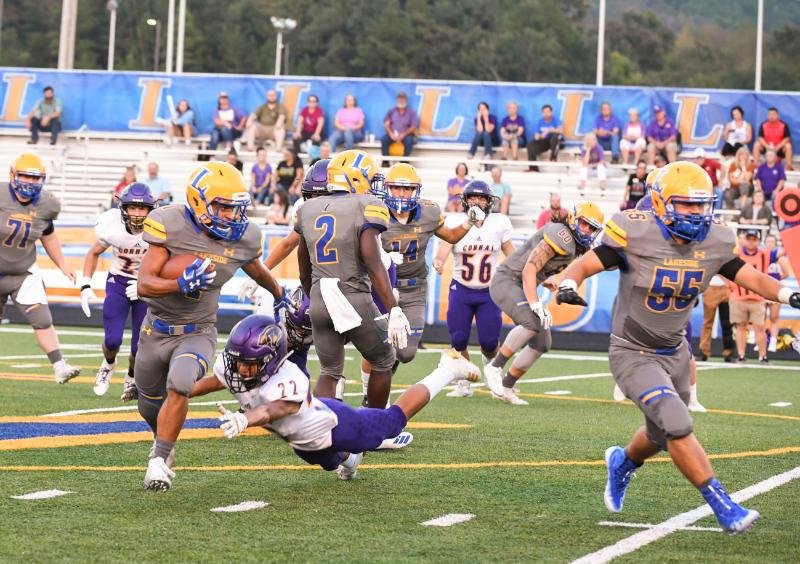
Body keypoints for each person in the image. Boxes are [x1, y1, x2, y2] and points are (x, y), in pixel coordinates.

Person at [555, 160, 800, 533]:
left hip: (675, 351)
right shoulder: (633, 232)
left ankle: (622, 462)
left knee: (659, 432)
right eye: (686, 204)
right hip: (633, 350)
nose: (697, 212)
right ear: (660, 202)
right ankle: (725, 507)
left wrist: (787, 292)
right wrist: (569, 283)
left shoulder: (714, 240)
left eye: (701, 204)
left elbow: (747, 275)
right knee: (677, 422)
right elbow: (585, 265)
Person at [136, 161, 285, 492]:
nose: (231, 216)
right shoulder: (168, 223)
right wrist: (180, 283)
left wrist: (279, 294)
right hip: (155, 329)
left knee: (181, 382)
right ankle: (164, 439)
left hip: (198, 330)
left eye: (236, 209)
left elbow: (256, 268)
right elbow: (144, 284)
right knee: (148, 402)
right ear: (198, 201)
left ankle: (158, 461)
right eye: (222, 207)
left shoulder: (243, 238)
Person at [189, 315, 478, 480]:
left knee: (392, 422)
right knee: (326, 462)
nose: (241, 369)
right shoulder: (235, 368)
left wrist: (244, 418)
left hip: (333, 425)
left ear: (271, 361)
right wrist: (173, 390)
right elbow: (215, 380)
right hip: (304, 439)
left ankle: (448, 370)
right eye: (238, 361)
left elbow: (273, 410)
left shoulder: (289, 378)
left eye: (250, 363)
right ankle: (351, 460)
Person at [294, 149, 410, 409]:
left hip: (319, 297)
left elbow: (303, 267)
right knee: (383, 360)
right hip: (352, 295)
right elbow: (372, 261)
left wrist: (315, 295)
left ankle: (320, 434)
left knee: (330, 371)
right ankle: (375, 428)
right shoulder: (365, 206)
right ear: (355, 180)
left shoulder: (307, 208)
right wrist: (393, 308)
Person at [484, 201, 604, 405]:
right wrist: (535, 303)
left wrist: (545, 280)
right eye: (584, 224)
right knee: (531, 323)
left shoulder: (576, 244)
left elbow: (532, 263)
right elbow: (530, 268)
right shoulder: (562, 234)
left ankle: (507, 385)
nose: (587, 230)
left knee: (542, 343)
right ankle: (495, 366)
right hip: (507, 281)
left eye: (592, 228)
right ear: (574, 219)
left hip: (520, 283)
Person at [375, 162, 482, 370]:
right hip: (382, 287)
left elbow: (450, 236)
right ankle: (371, 392)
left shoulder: (428, 212)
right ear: (387, 188)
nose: (402, 194)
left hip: (414, 289)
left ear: (416, 191)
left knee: (405, 353)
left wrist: (468, 222)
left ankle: (386, 367)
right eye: (397, 187)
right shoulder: (375, 212)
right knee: (376, 347)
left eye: (407, 189)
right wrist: (383, 259)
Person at [0, 153, 80, 383]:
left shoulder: (47, 204)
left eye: (35, 178)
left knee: (42, 319)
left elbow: (49, 236)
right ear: (13, 175)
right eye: (24, 176)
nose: (29, 182)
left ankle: (59, 366)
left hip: (23, 270)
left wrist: (63, 265)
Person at [433, 180, 515, 397]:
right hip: (461, 289)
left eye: (481, 197)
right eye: (473, 197)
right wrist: (439, 261)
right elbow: (444, 246)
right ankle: (464, 382)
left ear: (489, 201)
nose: (477, 201)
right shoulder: (456, 222)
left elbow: (512, 254)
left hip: (489, 292)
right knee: (458, 339)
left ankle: (493, 372)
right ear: (465, 200)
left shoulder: (499, 223)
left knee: (489, 342)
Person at [80, 183, 156, 398]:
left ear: (151, 210)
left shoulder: (159, 230)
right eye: (132, 208)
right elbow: (93, 253)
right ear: (123, 208)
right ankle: (108, 363)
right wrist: (85, 283)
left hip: (146, 286)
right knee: (112, 340)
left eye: (142, 209)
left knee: (139, 347)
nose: (137, 214)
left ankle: (131, 376)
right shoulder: (111, 225)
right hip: (119, 283)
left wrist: (149, 285)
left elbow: (169, 263)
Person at [728, 228, 770, 363]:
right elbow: (722, 269)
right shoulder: (736, 254)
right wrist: (730, 284)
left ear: (758, 241)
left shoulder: (765, 255)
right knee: (740, 327)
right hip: (738, 297)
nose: (751, 242)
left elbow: (781, 254)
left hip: (758, 298)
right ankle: (741, 355)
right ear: (744, 240)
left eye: (754, 239)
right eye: (749, 239)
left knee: (759, 327)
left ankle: (763, 356)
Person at [699, 274, 735, 363]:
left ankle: (728, 352)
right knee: (708, 321)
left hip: (725, 288)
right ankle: (704, 351)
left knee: (727, 322)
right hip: (710, 287)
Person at [381, 91, 418, 163]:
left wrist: (403, 134)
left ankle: (404, 162)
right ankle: (385, 161)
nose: (401, 100)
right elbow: (386, 124)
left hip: (406, 134)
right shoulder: (391, 111)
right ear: (397, 100)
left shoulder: (411, 112)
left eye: (403, 99)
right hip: (393, 134)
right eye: (399, 98)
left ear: (406, 100)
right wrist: (391, 134)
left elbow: (414, 126)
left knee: (409, 140)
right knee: (384, 139)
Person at [526, 104, 564, 169]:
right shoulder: (539, 121)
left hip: (556, 143)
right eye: (544, 112)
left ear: (551, 112)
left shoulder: (556, 120)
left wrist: (549, 130)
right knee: (530, 145)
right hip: (545, 142)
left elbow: (561, 131)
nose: (546, 114)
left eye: (548, 112)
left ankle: (553, 158)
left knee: (555, 137)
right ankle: (533, 168)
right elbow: (536, 135)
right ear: (542, 113)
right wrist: (539, 136)